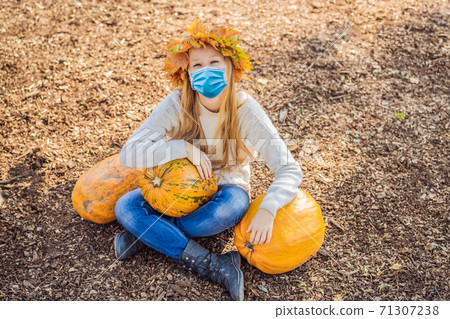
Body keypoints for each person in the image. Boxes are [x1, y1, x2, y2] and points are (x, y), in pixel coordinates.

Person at [114, 17, 303, 301]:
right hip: (176, 186)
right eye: (197, 65)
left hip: (226, 188)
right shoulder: (177, 103)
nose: (206, 71)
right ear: (187, 74)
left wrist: (268, 208)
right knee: (125, 207)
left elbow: (288, 168)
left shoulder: (246, 111)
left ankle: (149, 235)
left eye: (215, 62)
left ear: (231, 69)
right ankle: (214, 265)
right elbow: (129, 154)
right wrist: (181, 148)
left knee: (230, 208)